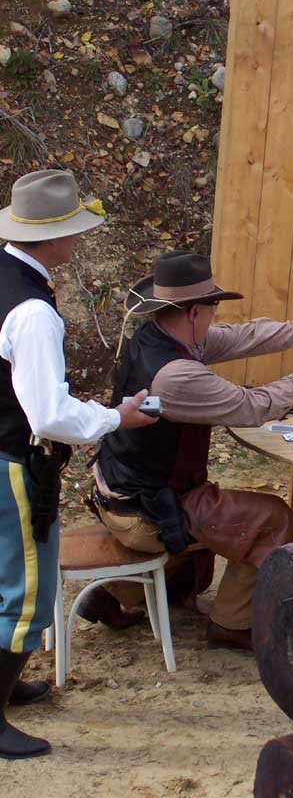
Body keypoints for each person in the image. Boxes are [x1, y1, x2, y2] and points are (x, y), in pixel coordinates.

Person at [87, 250, 293, 650]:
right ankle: (232, 624)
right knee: (272, 518)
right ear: (194, 312)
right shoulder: (177, 375)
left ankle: (115, 594)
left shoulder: (155, 335)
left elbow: (246, 336)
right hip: (146, 505)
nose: (215, 317)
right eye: (211, 308)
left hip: (122, 485)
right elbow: (251, 408)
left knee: (216, 522)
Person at [0, 170, 156, 760]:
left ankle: (7, 688)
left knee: (4, 581)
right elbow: (48, 415)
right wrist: (116, 418)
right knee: (26, 596)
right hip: (14, 460)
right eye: (74, 231)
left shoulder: (5, 274)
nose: (78, 241)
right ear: (55, 237)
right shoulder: (34, 312)